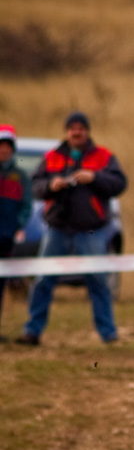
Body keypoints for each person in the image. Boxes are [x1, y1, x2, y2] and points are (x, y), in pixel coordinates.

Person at [17, 111, 127, 346]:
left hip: (90, 230)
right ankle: (32, 331)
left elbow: (119, 183)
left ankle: (108, 334)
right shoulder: (52, 157)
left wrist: (94, 178)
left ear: (87, 131)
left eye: (81, 128)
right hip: (57, 228)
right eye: (72, 128)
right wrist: (51, 185)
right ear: (67, 131)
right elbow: (35, 187)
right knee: (43, 280)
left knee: (98, 281)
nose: (76, 132)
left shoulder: (103, 157)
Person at [0, 125, 33, 342]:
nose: (3, 151)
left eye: (6, 147)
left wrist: (16, 226)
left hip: (5, 238)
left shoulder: (20, 176)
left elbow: (27, 206)